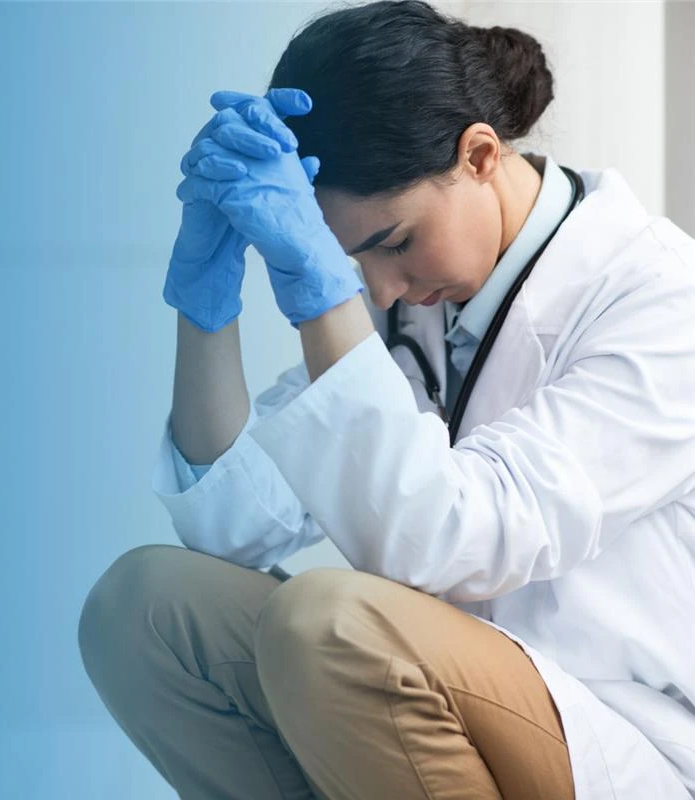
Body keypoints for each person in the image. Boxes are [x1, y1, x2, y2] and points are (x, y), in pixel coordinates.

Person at [77, 1, 695, 798]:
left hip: (624, 737)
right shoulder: (421, 305)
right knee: (147, 608)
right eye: (347, 262)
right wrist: (205, 308)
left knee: (329, 623)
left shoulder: (661, 301)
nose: (378, 289)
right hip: (446, 705)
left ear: (480, 155)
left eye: (394, 243)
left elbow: (443, 541)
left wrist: (320, 297)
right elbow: (233, 527)